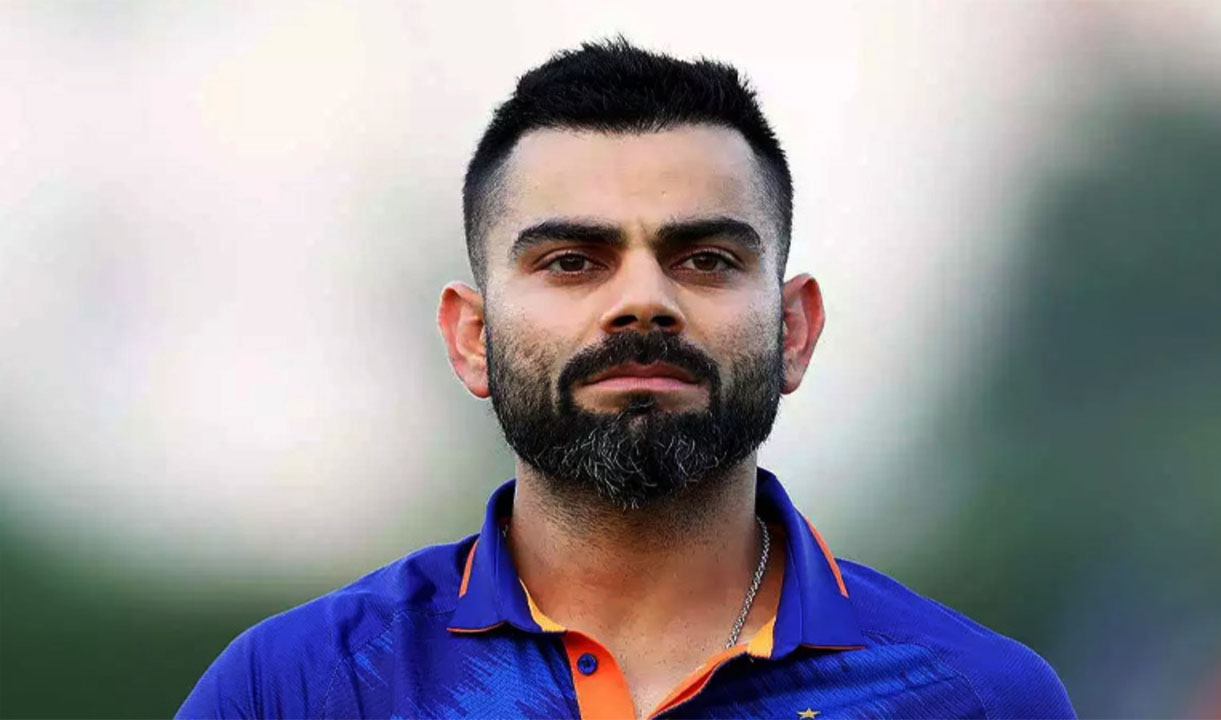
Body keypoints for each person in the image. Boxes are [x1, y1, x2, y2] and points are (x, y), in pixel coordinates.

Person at [177, 38, 1076, 719]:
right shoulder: (301, 689)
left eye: (706, 259)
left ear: (795, 330)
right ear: (472, 337)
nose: (643, 301)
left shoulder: (979, 698)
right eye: (572, 261)